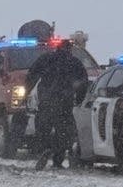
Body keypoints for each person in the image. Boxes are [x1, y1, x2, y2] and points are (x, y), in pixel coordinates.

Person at [25, 40, 89, 169]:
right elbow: (83, 81)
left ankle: (45, 148)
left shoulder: (46, 59)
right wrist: (79, 98)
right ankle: (58, 159)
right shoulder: (74, 62)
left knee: (43, 126)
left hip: (47, 98)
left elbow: (32, 74)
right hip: (65, 100)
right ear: (69, 49)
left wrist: (27, 91)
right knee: (63, 130)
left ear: (57, 48)